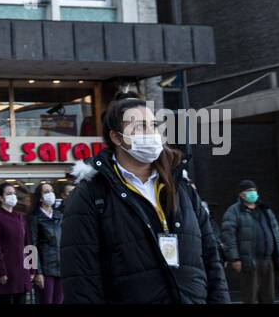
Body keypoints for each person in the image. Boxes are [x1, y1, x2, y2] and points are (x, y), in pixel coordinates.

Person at [61, 94, 228, 304]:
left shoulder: (181, 187)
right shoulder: (91, 194)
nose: (151, 133)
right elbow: (81, 276)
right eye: (139, 127)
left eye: (153, 125)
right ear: (116, 137)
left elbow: (211, 258)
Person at [220, 179, 279, 304]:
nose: (253, 193)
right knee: (250, 296)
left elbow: (276, 232)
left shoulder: (265, 210)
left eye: (254, 190)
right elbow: (229, 237)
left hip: (267, 259)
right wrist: (235, 259)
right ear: (241, 194)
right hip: (248, 261)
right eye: (249, 191)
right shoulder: (233, 211)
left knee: (268, 296)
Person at [0, 182, 29, 303]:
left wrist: (32, 268)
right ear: (1, 198)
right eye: (9, 193)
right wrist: (0, 271)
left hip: (22, 271)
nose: (13, 196)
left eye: (14, 193)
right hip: (6, 272)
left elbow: (28, 243)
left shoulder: (20, 217)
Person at [27, 182, 64, 304]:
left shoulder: (60, 216)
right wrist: (36, 272)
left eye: (52, 191)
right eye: (46, 192)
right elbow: (31, 246)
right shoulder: (34, 218)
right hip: (45, 269)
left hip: (61, 268)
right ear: (40, 197)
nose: (51, 194)